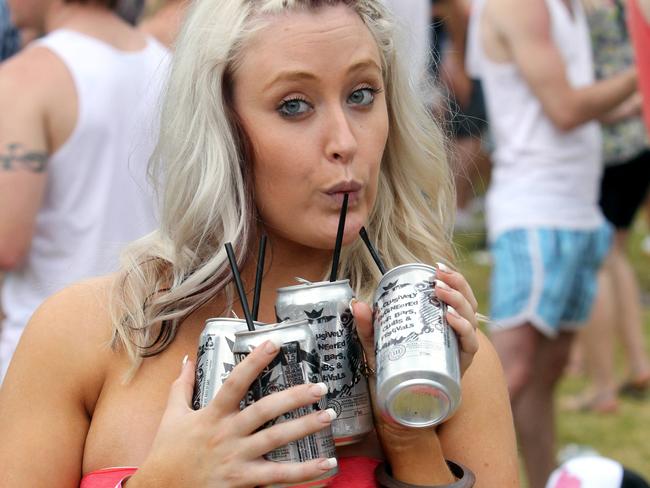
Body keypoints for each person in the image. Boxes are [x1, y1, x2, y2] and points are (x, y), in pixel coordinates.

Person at [0, 1, 519, 487]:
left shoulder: (443, 355)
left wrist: (407, 435)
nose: (345, 141)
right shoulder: (87, 335)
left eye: (362, 94)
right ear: (220, 128)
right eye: (294, 105)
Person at [466, 0, 637, 486]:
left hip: (576, 211)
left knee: (546, 377)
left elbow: (579, 106)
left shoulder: (569, 6)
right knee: (505, 378)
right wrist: (640, 71)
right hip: (535, 216)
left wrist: (636, 95)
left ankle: (542, 480)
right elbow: (564, 109)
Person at [0, 0, 170, 381]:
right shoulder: (168, 66)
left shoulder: (26, 78)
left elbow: (6, 243)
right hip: (149, 349)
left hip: (43, 361)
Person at [564, 0, 650, 413]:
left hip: (605, 143)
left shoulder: (580, 7)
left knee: (597, 262)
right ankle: (637, 363)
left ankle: (602, 387)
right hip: (636, 139)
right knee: (615, 257)